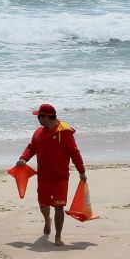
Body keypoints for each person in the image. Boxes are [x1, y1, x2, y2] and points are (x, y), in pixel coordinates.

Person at [16, 103, 86, 245]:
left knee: (59, 206)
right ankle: (47, 219)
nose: (38, 119)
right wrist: (23, 158)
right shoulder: (38, 132)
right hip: (43, 176)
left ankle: (58, 236)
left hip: (60, 177)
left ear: (48, 117)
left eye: (40, 116)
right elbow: (31, 147)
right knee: (43, 204)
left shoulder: (64, 133)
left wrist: (81, 171)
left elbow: (75, 153)